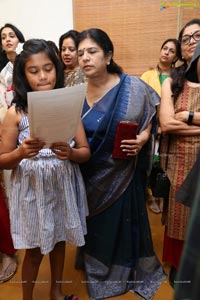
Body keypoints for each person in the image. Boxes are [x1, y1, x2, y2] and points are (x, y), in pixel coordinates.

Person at [75, 28, 166, 300]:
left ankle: (124, 268)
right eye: (81, 53)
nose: (85, 58)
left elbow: (151, 115)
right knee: (96, 227)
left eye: (92, 52)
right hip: (86, 173)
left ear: (108, 55)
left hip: (123, 174)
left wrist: (143, 137)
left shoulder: (133, 87)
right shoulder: (74, 90)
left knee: (121, 223)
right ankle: (96, 263)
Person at [0, 39, 90, 300]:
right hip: (32, 191)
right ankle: (27, 297)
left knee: (60, 240)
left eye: (48, 68)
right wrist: (20, 153)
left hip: (62, 185)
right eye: (34, 70)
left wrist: (71, 153)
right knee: (35, 249)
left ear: (57, 69)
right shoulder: (15, 113)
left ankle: (56, 291)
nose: (42, 76)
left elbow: (85, 152)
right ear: (23, 74)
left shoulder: (69, 106)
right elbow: (3, 158)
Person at [159, 18, 200, 288]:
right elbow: (166, 124)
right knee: (179, 216)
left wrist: (189, 115)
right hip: (179, 159)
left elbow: (177, 122)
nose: (191, 42)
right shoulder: (172, 82)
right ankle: (179, 266)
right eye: (186, 39)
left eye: (197, 36)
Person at [141, 38, 180, 214]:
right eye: (164, 48)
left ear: (176, 57)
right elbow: (142, 104)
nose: (166, 52)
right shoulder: (147, 75)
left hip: (173, 126)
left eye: (171, 51)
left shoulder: (179, 76)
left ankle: (165, 196)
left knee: (168, 163)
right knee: (151, 162)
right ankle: (151, 195)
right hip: (152, 126)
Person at [0, 23, 25, 284]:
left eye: (11, 35)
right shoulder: (0, 67)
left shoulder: (27, 60)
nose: (7, 39)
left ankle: (16, 242)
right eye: (3, 36)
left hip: (21, 126)